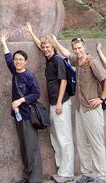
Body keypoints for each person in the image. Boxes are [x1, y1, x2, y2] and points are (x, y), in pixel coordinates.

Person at [52, 35, 106, 183]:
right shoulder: (77, 61)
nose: (77, 51)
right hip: (80, 108)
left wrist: (101, 98)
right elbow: (66, 54)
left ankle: (101, 175)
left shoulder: (92, 62)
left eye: (79, 48)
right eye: (75, 48)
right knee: (82, 142)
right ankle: (87, 173)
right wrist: (55, 42)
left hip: (92, 109)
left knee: (96, 142)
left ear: (84, 48)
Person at [25, 22, 74, 183]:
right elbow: (40, 45)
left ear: (53, 47)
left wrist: (59, 102)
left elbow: (64, 81)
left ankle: (67, 172)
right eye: (44, 47)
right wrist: (32, 32)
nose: (45, 49)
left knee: (64, 137)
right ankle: (61, 169)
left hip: (61, 102)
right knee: (55, 136)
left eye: (48, 47)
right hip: (53, 103)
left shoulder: (58, 60)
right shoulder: (49, 58)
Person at [0, 30, 43, 183]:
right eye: (16, 59)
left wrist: (21, 100)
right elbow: (8, 58)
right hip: (18, 116)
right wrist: (4, 42)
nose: (17, 62)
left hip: (28, 115)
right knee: (24, 148)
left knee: (31, 148)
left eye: (20, 60)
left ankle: (35, 179)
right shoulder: (15, 72)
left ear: (25, 62)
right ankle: (26, 177)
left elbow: (37, 94)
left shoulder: (29, 76)